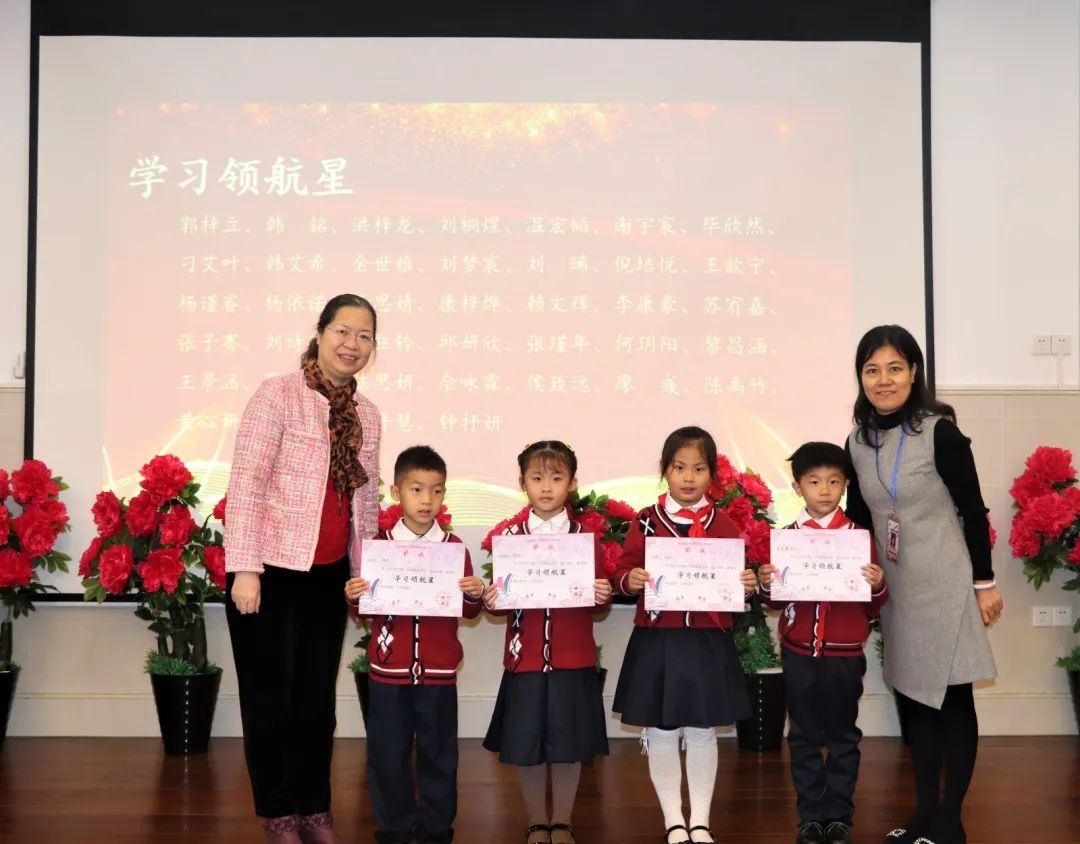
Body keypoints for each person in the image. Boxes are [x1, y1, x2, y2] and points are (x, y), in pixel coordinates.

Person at [224, 293, 381, 844]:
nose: (351, 345)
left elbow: (365, 501)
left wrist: (368, 576)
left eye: (364, 336)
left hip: (330, 577)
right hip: (268, 573)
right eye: (343, 331)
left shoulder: (367, 414)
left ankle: (315, 809)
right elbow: (245, 482)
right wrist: (245, 568)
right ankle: (278, 814)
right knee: (271, 702)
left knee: (316, 705)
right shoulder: (278, 396)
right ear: (319, 333)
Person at [844, 325, 1002, 844]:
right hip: (898, 590)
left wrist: (984, 583)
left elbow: (974, 512)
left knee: (953, 699)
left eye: (894, 368)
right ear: (860, 378)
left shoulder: (941, 432)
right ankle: (924, 813)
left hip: (948, 584)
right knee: (914, 700)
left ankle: (950, 819)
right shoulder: (857, 441)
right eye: (872, 370)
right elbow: (859, 520)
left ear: (914, 373)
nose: (883, 380)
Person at [612, 426, 757, 844]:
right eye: (679, 468)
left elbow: (736, 579)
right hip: (659, 638)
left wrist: (746, 582)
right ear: (665, 471)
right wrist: (631, 579)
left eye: (698, 468)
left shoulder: (724, 523)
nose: (688, 477)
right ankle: (674, 820)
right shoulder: (646, 520)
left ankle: (701, 822)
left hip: (708, 639)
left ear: (712, 475)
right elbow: (623, 571)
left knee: (701, 730)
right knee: (660, 729)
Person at [344, 445, 484, 844]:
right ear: (395, 492)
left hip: (439, 672)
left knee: (439, 754)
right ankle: (393, 826)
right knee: (387, 754)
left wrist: (473, 593)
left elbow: (470, 612)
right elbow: (364, 608)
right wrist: (354, 593)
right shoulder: (378, 546)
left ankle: (438, 827)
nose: (427, 500)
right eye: (417, 489)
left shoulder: (455, 549)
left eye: (437, 490)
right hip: (389, 672)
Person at [481, 441, 612, 844]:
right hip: (527, 660)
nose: (546, 487)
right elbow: (504, 604)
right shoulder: (510, 538)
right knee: (528, 745)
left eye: (557, 478)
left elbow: (595, 604)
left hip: (572, 659)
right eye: (537, 478)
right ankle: (537, 821)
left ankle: (564, 821)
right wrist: (492, 597)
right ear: (522, 483)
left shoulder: (585, 538)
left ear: (572, 483)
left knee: (568, 747)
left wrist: (601, 593)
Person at [757, 442, 888, 844]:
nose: (825, 490)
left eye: (834, 481)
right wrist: (766, 584)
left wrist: (879, 584)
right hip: (798, 655)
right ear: (798, 487)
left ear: (846, 484)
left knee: (843, 738)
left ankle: (840, 817)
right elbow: (776, 600)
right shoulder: (786, 539)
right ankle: (811, 817)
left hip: (845, 656)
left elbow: (877, 603)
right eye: (814, 481)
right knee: (803, 737)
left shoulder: (860, 538)